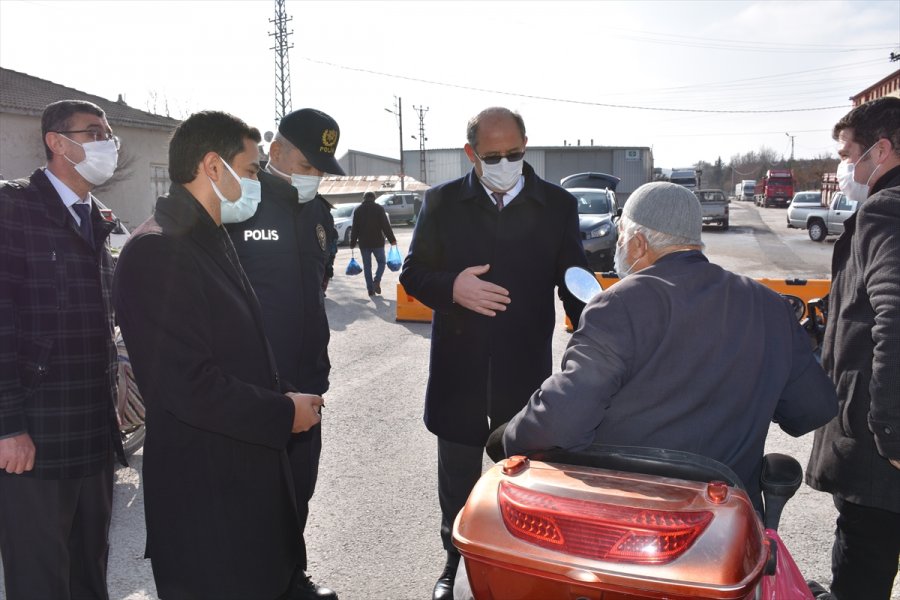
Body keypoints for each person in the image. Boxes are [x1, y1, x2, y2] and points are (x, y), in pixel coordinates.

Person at [500, 181, 838, 511]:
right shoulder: (769, 306)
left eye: (620, 238)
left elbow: (561, 422)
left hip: (629, 521)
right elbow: (813, 409)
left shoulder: (618, 305)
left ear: (638, 244)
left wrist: (509, 437)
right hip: (725, 526)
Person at [113, 111, 324, 600]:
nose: (256, 183)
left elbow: (233, 349)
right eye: (251, 170)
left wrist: (281, 392)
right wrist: (282, 412)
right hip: (207, 500)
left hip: (239, 486)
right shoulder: (158, 250)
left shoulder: (205, 238)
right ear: (213, 166)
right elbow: (186, 385)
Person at [399, 106, 589, 600]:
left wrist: (600, 327)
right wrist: (452, 287)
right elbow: (413, 273)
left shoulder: (557, 206)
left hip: (525, 381)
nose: (506, 163)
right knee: (458, 495)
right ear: (471, 154)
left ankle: (522, 573)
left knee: (525, 493)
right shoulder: (442, 203)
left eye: (516, 154)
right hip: (458, 379)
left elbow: (574, 285)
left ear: (526, 145)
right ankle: (454, 566)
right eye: (493, 156)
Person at [0, 99, 127, 600]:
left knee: (89, 568)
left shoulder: (97, 217)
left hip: (92, 431)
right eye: (94, 133)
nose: (107, 143)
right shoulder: (13, 208)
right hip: (34, 437)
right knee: (41, 579)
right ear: (57, 141)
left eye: (108, 132)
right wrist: (8, 425)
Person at [225, 107, 343, 600]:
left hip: (308, 382)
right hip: (255, 387)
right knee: (251, 501)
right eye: (306, 165)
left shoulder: (319, 215)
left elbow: (318, 288)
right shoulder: (239, 206)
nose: (313, 177)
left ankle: (292, 580)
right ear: (276, 152)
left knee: (298, 492)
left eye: (320, 169)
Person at [805, 96, 900, 600]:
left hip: (878, 454)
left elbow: (895, 314)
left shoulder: (886, 210)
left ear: (879, 151)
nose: (843, 167)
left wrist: (891, 432)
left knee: (863, 566)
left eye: (847, 154)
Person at [350, 191, 397, 296]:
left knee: (367, 266)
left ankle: (370, 290)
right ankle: (377, 280)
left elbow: (355, 229)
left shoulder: (358, 210)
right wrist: (392, 239)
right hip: (377, 242)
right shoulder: (379, 209)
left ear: (364, 198)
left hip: (364, 243)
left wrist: (352, 242)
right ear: (374, 198)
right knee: (381, 262)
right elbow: (386, 226)